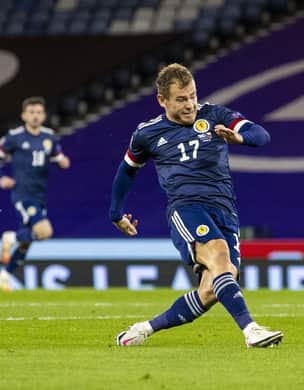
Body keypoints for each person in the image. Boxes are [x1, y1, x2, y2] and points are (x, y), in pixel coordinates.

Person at [110, 64, 283, 348]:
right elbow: (127, 170)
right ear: (162, 100)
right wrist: (116, 213)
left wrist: (238, 137)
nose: (190, 104)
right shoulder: (147, 134)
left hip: (225, 209)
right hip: (186, 207)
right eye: (181, 99)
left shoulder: (214, 115)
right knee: (218, 254)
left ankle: (143, 330)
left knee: (211, 290)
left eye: (192, 95)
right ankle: (251, 330)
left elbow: (261, 135)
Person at [0, 96, 71, 291]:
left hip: (40, 194)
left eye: (39, 112)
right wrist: (0, 177)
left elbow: (57, 157)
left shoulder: (49, 137)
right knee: (44, 232)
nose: (35, 116)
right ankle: (10, 238)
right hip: (23, 194)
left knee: (26, 242)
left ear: (44, 115)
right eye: (31, 112)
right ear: (23, 115)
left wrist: (62, 162)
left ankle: (3, 276)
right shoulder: (14, 137)